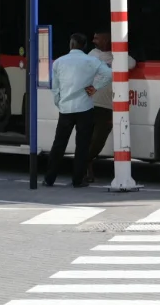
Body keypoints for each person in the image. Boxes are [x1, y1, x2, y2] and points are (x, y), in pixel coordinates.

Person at [45, 32, 112, 188]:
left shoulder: (59, 62)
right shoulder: (91, 61)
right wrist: (95, 88)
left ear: (71, 44)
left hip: (66, 109)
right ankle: (78, 180)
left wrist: (59, 103)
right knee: (82, 146)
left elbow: (55, 88)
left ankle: (49, 178)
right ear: (85, 46)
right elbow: (109, 74)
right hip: (85, 108)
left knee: (59, 144)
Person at [85, 30, 137, 184]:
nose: (94, 40)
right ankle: (85, 168)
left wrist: (116, 51)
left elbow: (132, 63)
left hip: (107, 106)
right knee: (88, 138)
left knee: (98, 140)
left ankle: (84, 162)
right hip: (90, 103)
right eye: (93, 37)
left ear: (108, 39)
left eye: (98, 37)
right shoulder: (91, 55)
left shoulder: (119, 56)